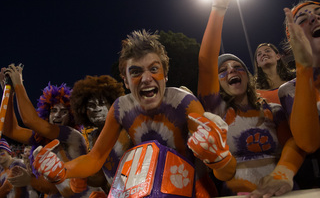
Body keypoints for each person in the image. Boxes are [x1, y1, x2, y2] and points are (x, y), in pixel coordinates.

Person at [33, 29, 219, 197]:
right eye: (136, 72)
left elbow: (213, 161)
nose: (146, 78)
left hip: (194, 190)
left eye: (154, 69)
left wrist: (217, 155)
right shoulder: (121, 108)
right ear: (126, 81)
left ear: (166, 74)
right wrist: (62, 170)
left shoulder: (185, 103)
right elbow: (95, 158)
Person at [187, 0, 306, 197]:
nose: (231, 70)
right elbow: (206, 64)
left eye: (237, 67)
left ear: (246, 75)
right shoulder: (217, 111)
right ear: (217, 82)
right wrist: (219, 7)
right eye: (222, 71)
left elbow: (294, 143)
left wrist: (283, 173)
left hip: (282, 192)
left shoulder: (273, 109)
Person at [0, 65, 98, 198]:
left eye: (64, 112)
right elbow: (10, 130)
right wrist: (9, 95)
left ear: (71, 116)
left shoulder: (73, 136)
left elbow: (30, 120)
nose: (57, 115)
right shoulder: (42, 138)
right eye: (53, 110)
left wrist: (18, 84)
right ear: (47, 113)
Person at [278, 0, 320, 189]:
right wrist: (304, 68)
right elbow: (308, 143)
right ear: (292, 37)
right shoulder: (289, 90)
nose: (314, 17)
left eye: (319, 12)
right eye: (303, 18)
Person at [70, 75, 132, 194]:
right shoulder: (93, 137)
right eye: (91, 106)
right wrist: (82, 178)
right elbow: (102, 178)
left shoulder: (128, 127)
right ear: (84, 110)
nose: (96, 109)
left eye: (102, 103)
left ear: (112, 104)